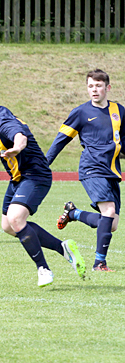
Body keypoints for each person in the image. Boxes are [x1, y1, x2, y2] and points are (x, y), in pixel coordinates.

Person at [0, 89, 86, 287]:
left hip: (35, 176)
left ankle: (43, 269)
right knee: (9, 226)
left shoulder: (4, 124)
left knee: (16, 218)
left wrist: (17, 148)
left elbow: (19, 136)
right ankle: (63, 248)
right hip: (18, 179)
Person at [46, 69, 125, 272]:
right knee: (108, 212)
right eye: (90, 86)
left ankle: (73, 213)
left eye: (98, 86)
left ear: (108, 88)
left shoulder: (119, 111)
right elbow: (60, 140)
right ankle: (99, 263)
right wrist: (44, 164)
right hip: (92, 168)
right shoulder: (81, 112)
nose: (94, 90)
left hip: (112, 171)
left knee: (111, 223)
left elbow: (122, 143)